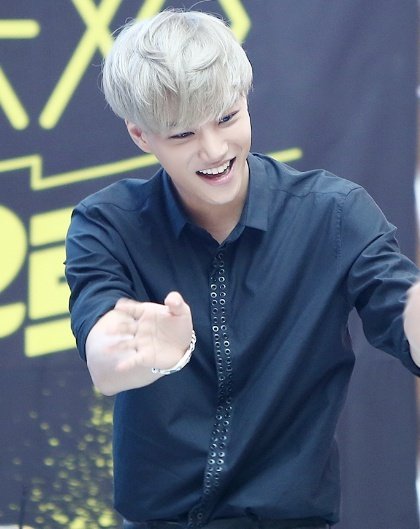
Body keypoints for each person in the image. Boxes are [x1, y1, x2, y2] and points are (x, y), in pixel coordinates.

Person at [65, 9, 420, 529]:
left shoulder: (335, 213)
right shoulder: (107, 222)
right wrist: (141, 358)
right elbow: (104, 350)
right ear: (141, 135)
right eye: (183, 135)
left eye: (227, 118)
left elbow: (401, 312)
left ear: (246, 98)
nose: (214, 150)